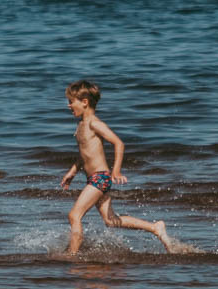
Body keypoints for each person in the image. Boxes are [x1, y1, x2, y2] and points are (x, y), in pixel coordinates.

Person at [60, 79, 170, 255]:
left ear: (85, 102)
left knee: (74, 215)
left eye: (71, 101)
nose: (68, 105)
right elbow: (84, 154)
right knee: (110, 220)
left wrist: (116, 171)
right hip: (94, 179)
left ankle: (72, 256)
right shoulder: (81, 125)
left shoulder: (94, 124)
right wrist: (72, 171)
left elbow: (119, 143)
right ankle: (155, 228)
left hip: (100, 178)